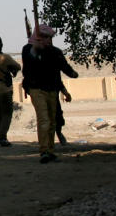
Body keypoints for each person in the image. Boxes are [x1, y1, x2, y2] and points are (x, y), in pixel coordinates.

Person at [22, 24, 78, 163]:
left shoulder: (55, 52)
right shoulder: (28, 50)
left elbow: (62, 70)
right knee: (44, 119)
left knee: (52, 121)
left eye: (49, 37)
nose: (48, 40)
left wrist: (70, 79)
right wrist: (35, 50)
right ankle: (44, 151)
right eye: (45, 37)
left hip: (52, 90)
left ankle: (51, 150)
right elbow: (27, 70)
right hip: (36, 89)